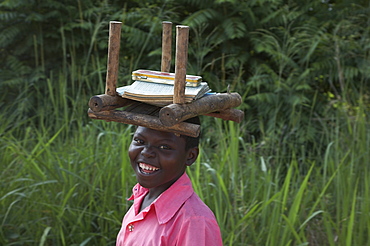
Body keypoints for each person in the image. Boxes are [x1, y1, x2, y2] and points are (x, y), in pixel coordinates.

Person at [116, 117, 223, 246]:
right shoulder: (142, 198)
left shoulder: (194, 222)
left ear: (190, 156)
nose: (147, 152)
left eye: (164, 147)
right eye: (139, 141)